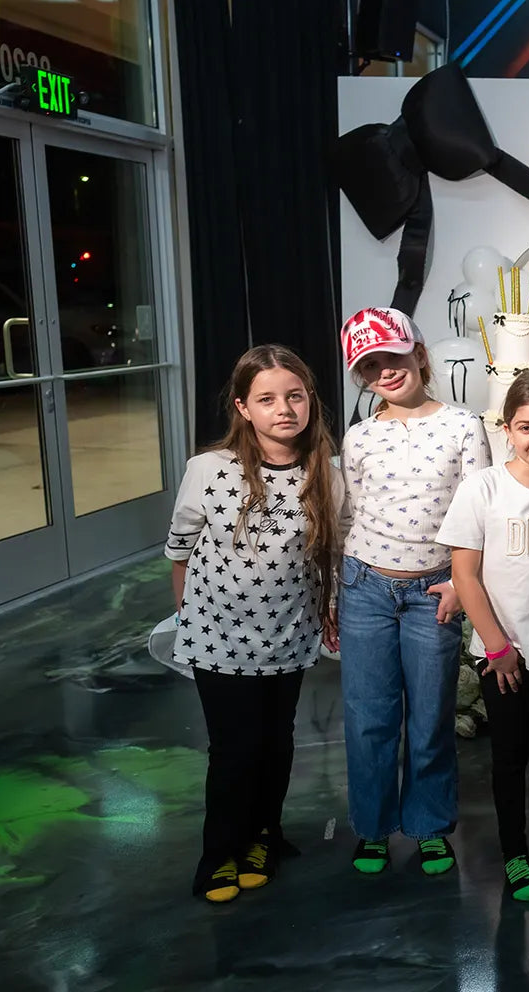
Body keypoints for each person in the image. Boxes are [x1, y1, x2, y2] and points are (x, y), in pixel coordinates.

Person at [166, 344, 343, 903]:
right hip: (219, 637)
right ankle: (220, 852)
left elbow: (330, 553)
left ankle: (266, 833)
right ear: (243, 407)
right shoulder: (208, 470)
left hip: (288, 634)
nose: (283, 409)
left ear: (310, 400)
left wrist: (328, 609)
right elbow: (180, 549)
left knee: (276, 742)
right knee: (234, 748)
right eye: (266, 399)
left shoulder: (325, 473)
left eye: (294, 396)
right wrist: (186, 618)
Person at [337, 307, 489, 877]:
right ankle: (373, 827)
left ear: (419, 354)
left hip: (435, 592)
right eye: (371, 367)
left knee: (429, 716)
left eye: (394, 358)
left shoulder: (462, 425)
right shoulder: (359, 437)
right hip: (365, 587)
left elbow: (478, 514)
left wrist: (459, 582)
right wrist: (336, 594)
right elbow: (349, 514)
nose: (386, 372)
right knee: (369, 716)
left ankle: (428, 824)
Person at [439, 370, 529, 902]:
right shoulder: (483, 488)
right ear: (506, 429)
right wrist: (498, 649)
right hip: (499, 655)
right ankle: (514, 852)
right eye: (526, 427)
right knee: (508, 757)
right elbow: (466, 576)